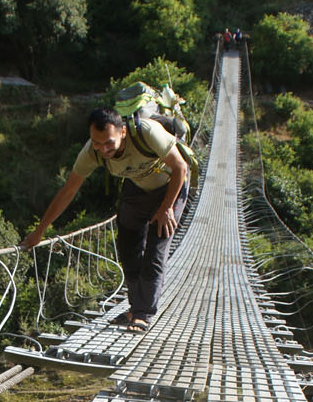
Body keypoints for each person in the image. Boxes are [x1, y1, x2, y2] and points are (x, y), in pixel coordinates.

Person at [20, 107, 190, 331]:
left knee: (155, 251)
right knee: (129, 252)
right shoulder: (92, 152)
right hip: (136, 189)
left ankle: (142, 314)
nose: (103, 149)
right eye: (97, 143)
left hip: (169, 189)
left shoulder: (147, 132)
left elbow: (180, 167)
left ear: (123, 132)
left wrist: (167, 207)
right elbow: (68, 191)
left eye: (108, 143)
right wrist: (40, 231)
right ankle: (134, 308)